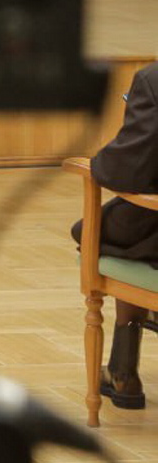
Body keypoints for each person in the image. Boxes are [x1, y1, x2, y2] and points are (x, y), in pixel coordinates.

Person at [72, 64, 158, 409]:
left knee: (110, 235)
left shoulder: (152, 80)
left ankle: (124, 373)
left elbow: (125, 171)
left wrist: (93, 163)